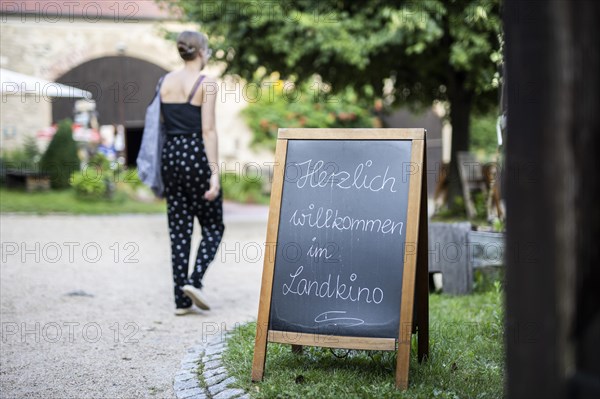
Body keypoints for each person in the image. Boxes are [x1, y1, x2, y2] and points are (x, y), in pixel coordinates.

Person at [159, 31, 224, 315]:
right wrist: (214, 172)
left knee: (179, 229)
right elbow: (208, 130)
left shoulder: (165, 81)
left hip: (170, 156)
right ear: (201, 52)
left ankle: (181, 300)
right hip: (195, 155)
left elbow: (161, 124)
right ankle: (195, 281)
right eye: (208, 51)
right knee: (213, 225)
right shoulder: (205, 84)